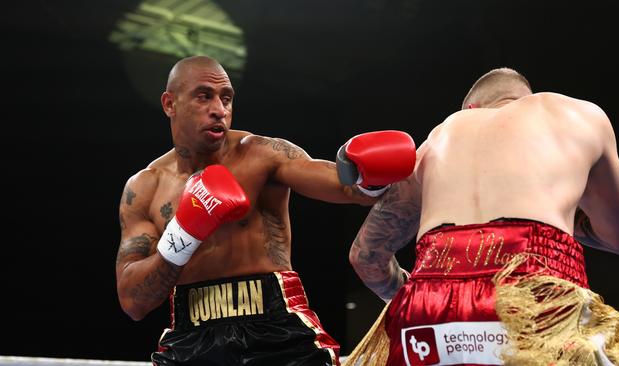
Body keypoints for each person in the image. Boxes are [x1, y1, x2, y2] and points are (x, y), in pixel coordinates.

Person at [115, 55, 416, 366]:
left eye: (226, 98)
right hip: (192, 339)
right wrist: (183, 232)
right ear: (169, 104)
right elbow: (133, 300)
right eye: (204, 96)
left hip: (277, 328)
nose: (219, 109)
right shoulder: (144, 188)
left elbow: (345, 188)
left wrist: (368, 177)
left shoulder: (261, 154)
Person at [344, 68, 619, 366]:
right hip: (531, 288)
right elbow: (617, 237)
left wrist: (414, 295)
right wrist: (564, 204)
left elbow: (366, 258)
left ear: (471, 110)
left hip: (428, 302)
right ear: (525, 98)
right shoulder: (575, 114)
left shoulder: (436, 140)